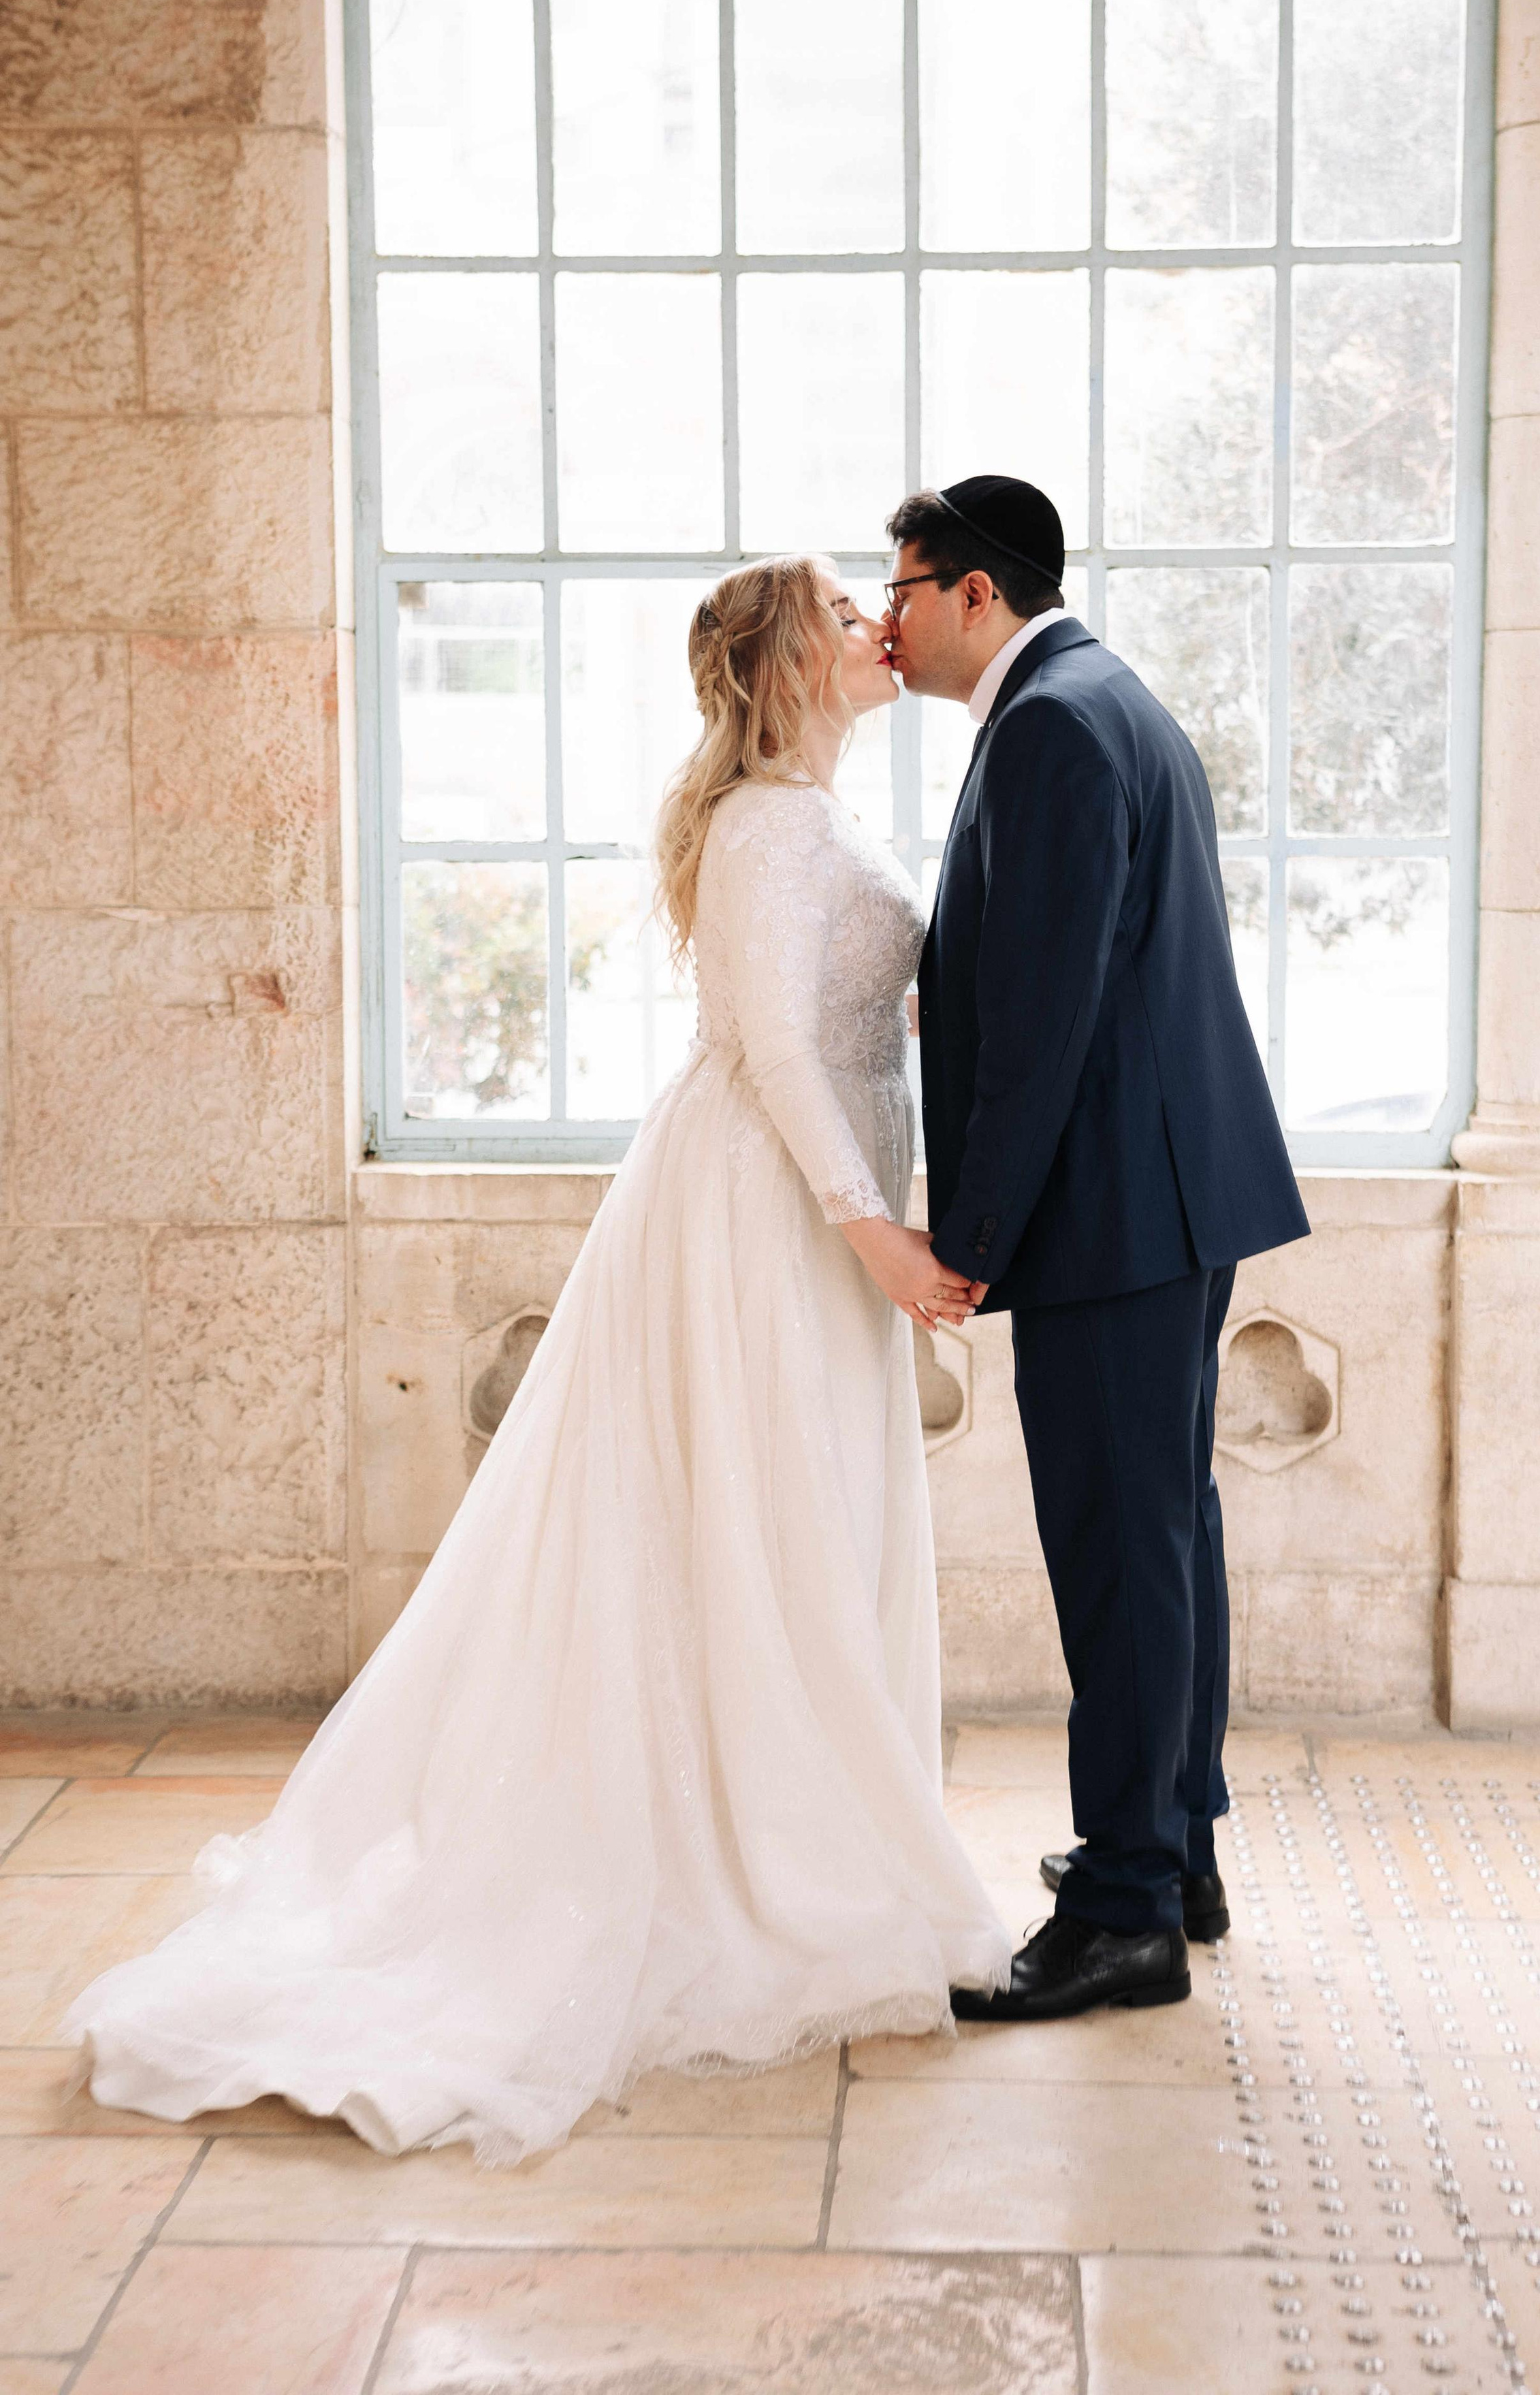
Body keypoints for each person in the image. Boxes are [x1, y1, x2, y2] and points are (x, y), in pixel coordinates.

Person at [61, 556, 1009, 2164]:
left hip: (806, 1197)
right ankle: (757, 1851)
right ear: (787, 667)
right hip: (764, 1212)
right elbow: (780, 1047)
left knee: (798, 1516)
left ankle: (794, 1817)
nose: (875, 629)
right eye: (844, 614)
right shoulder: (766, 828)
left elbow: (858, 1017)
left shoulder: (813, 815)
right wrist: (875, 1237)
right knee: (758, 1512)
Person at [884, 477, 1310, 2024]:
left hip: (1117, 1213)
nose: (889, 619)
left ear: (977, 593)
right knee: (1161, 1538)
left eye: (908, 589)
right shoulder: (1104, 697)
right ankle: (1175, 1848)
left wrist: (969, 1238)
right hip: (1172, 1198)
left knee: (1119, 1557)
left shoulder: (1054, 725)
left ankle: (1124, 1908)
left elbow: (1045, 1022)